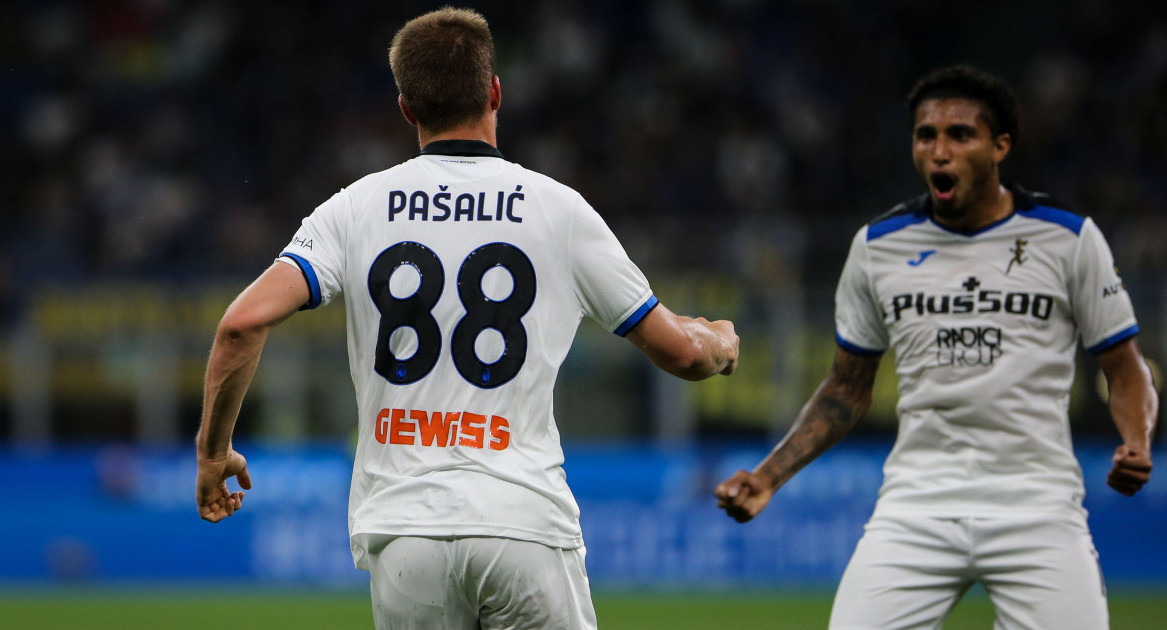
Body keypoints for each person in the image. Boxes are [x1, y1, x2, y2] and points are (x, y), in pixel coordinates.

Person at [194, 7, 738, 629]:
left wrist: (213, 453)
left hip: (405, 539)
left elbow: (241, 324)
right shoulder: (559, 211)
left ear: (406, 108)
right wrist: (719, 340)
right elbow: (684, 354)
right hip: (523, 521)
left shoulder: (354, 209)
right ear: (496, 92)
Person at [715, 64, 1157, 629]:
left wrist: (1137, 440)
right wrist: (768, 476)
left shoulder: (1067, 240)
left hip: (1037, 505)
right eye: (926, 135)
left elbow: (1125, 369)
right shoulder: (878, 247)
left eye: (960, 135)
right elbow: (846, 390)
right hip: (917, 504)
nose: (939, 151)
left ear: (1000, 146)